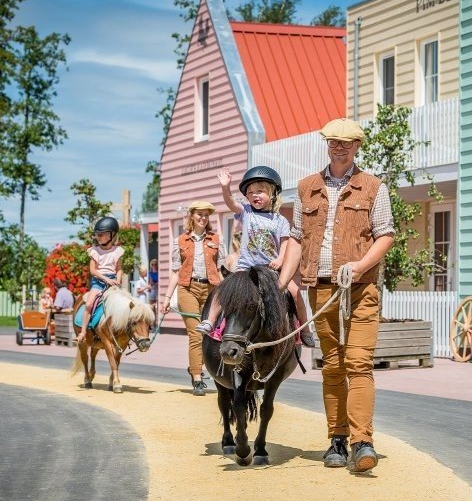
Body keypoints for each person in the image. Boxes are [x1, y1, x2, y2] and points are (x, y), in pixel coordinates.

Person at [278, 117, 395, 473]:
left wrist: (360, 266)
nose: (339, 147)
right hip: (322, 288)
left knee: (358, 363)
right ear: (327, 144)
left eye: (346, 142)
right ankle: (337, 439)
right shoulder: (306, 187)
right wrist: (281, 283)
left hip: (360, 289)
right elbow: (296, 238)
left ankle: (362, 442)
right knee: (332, 365)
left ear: (357, 146)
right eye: (333, 141)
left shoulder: (373, 187)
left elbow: (385, 235)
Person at [196, 166, 315, 348]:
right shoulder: (247, 213)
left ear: (272, 193)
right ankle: (210, 321)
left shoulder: (280, 221)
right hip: (246, 268)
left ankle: (305, 330)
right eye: (250, 193)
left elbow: (286, 244)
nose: (254, 196)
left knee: (295, 292)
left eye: (259, 191)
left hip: (270, 270)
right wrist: (225, 187)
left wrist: (280, 260)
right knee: (224, 289)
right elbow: (230, 203)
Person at [160, 200, 226, 396]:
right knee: (196, 334)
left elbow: (221, 270)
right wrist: (167, 298)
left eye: (206, 215)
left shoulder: (216, 239)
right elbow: (175, 272)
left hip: (211, 289)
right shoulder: (180, 241)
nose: (203, 218)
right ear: (192, 216)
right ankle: (197, 377)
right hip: (187, 289)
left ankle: (197, 366)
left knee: (210, 333)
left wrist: (228, 292)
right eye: (200, 214)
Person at [76, 216, 124, 343]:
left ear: (111, 235)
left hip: (113, 283)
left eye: (101, 234)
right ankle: (83, 332)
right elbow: (93, 270)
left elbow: (119, 268)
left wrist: (118, 280)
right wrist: (105, 279)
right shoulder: (94, 251)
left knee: (125, 305)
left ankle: (125, 332)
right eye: (97, 234)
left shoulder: (118, 251)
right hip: (98, 283)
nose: (98, 237)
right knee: (89, 304)